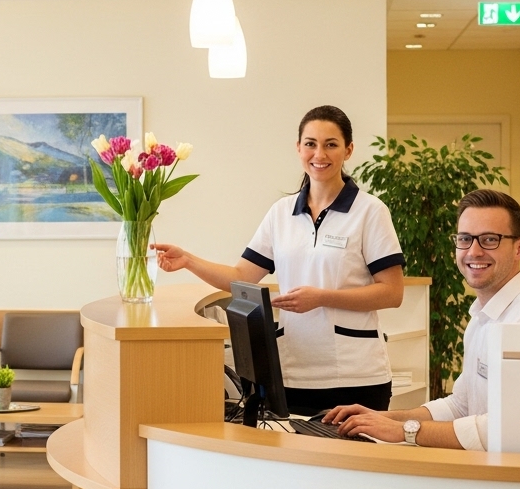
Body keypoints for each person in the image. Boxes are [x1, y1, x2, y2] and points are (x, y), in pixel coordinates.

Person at [152, 105, 405, 412]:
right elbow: (242, 277)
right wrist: (189, 260)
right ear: (298, 148)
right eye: (310, 144)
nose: (319, 154)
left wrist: (322, 298)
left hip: (356, 375)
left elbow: (392, 292)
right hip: (294, 373)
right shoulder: (281, 213)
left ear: (348, 150)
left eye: (331, 144)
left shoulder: (370, 211)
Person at [323, 189, 520, 449]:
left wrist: (403, 431)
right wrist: (382, 417)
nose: (474, 251)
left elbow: (507, 428)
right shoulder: (482, 317)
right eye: (465, 239)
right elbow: (460, 405)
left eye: (490, 240)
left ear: (519, 249)